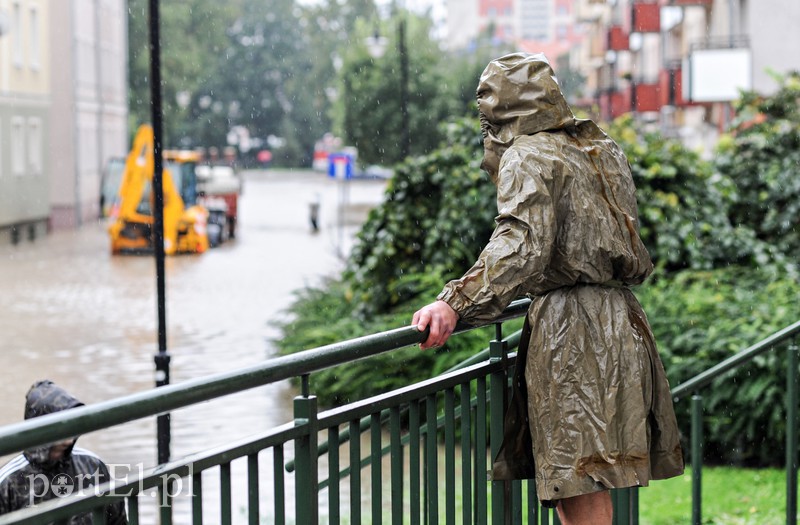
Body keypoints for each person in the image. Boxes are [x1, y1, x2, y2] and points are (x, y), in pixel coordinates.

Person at [412, 52, 684, 524]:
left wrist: (454, 302)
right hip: (619, 318)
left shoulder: (527, 155)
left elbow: (522, 242)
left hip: (572, 331)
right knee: (582, 476)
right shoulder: (598, 149)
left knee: (575, 479)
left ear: (499, 111)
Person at [0, 380, 128, 524]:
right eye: (59, 432)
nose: (68, 441)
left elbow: (118, 520)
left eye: (71, 430)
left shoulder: (92, 466)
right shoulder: (8, 481)